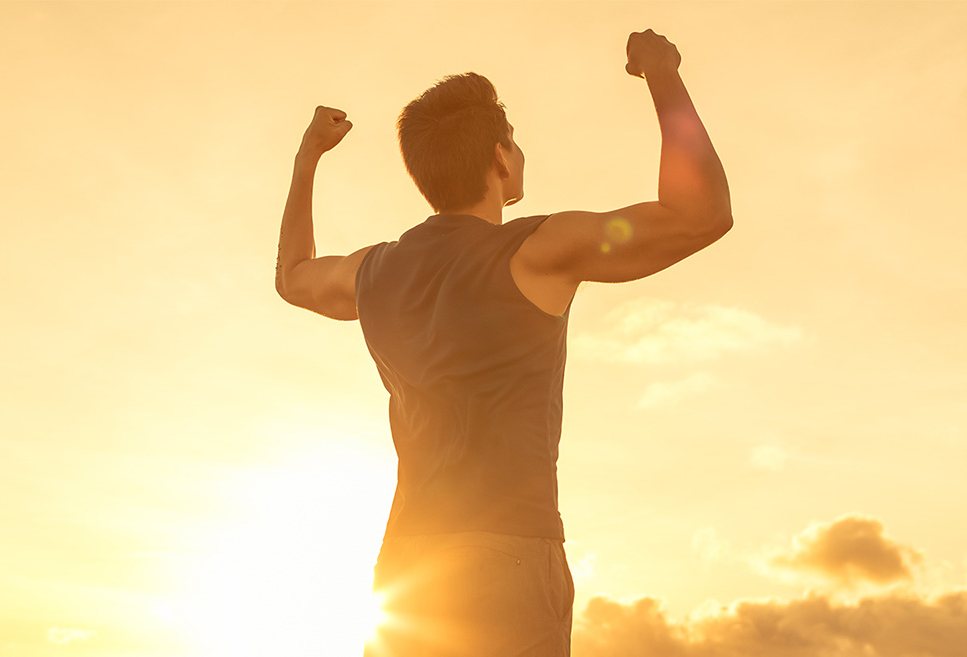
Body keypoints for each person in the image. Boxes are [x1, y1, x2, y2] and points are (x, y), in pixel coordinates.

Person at [274, 29, 731, 657]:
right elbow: (700, 213)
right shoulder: (537, 250)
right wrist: (663, 74)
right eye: (513, 141)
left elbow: (294, 277)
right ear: (500, 158)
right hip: (508, 559)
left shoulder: (373, 272)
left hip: (409, 568)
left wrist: (308, 160)